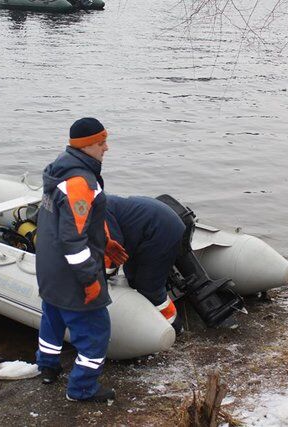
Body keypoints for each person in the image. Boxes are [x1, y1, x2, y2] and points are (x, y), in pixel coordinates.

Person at [35, 117, 128, 403]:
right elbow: (73, 240)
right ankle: (82, 388)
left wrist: (106, 241)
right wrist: (90, 279)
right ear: (87, 145)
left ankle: (48, 367)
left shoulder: (60, 170)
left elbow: (76, 221)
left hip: (49, 268)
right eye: (102, 143)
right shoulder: (80, 182)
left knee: (52, 318)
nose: (107, 148)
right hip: (71, 273)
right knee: (96, 330)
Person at [104, 195, 186, 332]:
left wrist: (102, 277)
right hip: (143, 233)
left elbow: (114, 246)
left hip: (160, 230)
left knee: (149, 288)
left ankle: (176, 328)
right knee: (132, 279)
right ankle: (148, 323)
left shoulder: (98, 210)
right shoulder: (97, 203)